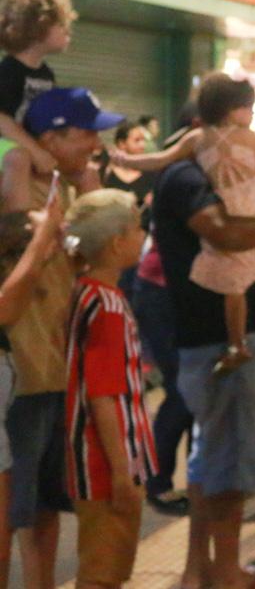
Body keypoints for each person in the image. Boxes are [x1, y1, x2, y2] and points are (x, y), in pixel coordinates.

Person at [152, 104, 255, 589]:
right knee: (230, 462)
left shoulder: (205, 175)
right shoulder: (189, 178)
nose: (246, 136)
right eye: (239, 124)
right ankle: (225, 573)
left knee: (211, 457)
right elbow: (225, 233)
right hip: (220, 339)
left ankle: (201, 569)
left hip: (215, 336)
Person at [1, 88, 115, 589]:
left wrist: (89, 194)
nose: (95, 144)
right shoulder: (15, 189)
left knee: (47, 504)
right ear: (50, 138)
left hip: (59, 369)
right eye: (86, 133)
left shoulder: (67, 192)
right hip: (21, 376)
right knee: (9, 510)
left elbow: (104, 258)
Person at [115, 74, 255, 376]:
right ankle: (241, 340)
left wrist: (127, 161)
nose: (252, 114)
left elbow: (160, 159)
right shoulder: (249, 138)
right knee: (250, 272)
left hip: (229, 204)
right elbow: (253, 172)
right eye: (249, 107)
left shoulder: (198, 139)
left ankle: (237, 344)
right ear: (233, 109)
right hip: (254, 203)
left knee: (235, 281)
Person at [61, 190, 157, 589]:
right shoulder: (108, 306)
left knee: (104, 568)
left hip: (97, 457)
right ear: (117, 243)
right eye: (136, 229)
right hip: (105, 461)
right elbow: (103, 394)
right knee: (103, 573)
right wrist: (121, 472)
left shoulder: (86, 292)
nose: (142, 235)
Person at [0, 188, 65, 589]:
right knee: (15, 519)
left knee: (36, 509)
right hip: (23, 398)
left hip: (36, 390)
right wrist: (42, 238)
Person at [0, 0, 75, 180]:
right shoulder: (8, 71)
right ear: (37, 27)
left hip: (26, 144)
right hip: (8, 145)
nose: (68, 31)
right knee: (19, 159)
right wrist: (35, 151)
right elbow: (2, 119)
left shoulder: (46, 74)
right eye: (61, 24)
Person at [101, 123, 154, 210]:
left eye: (143, 140)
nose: (142, 145)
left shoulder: (151, 172)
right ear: (122, 144)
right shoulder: (106, 173)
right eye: (137, 140)